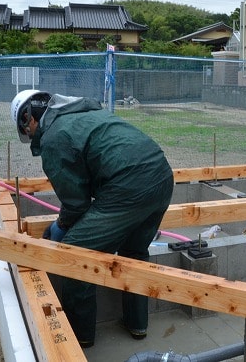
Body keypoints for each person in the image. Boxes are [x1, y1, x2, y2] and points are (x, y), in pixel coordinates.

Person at [10, 89, 174, 348]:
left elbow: (76, 203)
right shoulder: (87, 113)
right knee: (134, 252)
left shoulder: (54, 137)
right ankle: (137, 324)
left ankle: (81, 337)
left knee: (75, 256)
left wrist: (60, 227)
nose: (30, 135)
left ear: (29, 119)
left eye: (26, 130)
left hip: (129, 186)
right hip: (162, 175)